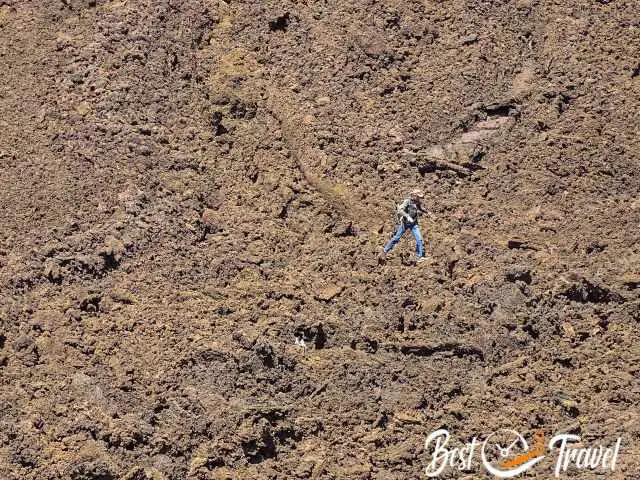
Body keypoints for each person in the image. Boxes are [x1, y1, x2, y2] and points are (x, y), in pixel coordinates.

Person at [381, 189, 428, 260]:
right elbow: (400, 210)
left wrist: (427, 212)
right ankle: (384, 251)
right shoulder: (407, 201)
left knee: (419, 239)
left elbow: (420, 208)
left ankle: (420, 256)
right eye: (418, 197)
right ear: (414, 195)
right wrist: (407, 216)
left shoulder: (417, 202)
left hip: (414, 224)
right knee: (396, 238)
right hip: (405, 223)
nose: (419, 198)